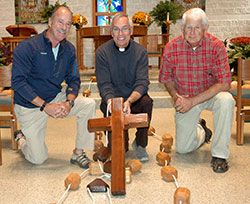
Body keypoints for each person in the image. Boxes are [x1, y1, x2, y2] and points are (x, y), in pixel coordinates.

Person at [11, 6, 96, 168]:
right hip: (30, 105)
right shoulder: (28, 47)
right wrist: (45, 106)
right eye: (60, 22)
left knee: (88, 104)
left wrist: (68, 102)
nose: (64, 28)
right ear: (50, 22)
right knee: (38, 159)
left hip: (54, 97)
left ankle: (79, 153)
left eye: (68, 24)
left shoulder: (69, 49)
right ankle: (21, 139)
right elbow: (18, 82)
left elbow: (73, 79)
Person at [159, 8, 235, 173]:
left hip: (211, 95)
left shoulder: (216, 46)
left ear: (205, 28)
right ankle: (202, 131)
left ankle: (220, 155)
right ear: (182, 28)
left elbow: (225, 83)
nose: (192, 32)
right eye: (188, 27)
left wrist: (193, 101)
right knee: (183, 148)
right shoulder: (172, 47)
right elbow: (166, 78)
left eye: (197, 27)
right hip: (185, 98)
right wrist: (175, 95)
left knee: (226, 100)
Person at [95, 13, 153, 162]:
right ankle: (123, 141)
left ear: (131, 31)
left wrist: (129, 102)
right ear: (111, 32)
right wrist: (114, 104)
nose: (121, 34)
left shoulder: (140, 52)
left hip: (134, 99)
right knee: (120, 149)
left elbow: (142, 82)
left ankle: (141, 144)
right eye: (116, 29)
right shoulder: (102, 52)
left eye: (125, 29)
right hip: (111, 101)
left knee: (147, 102)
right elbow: (104, 84)